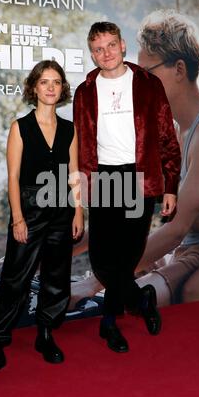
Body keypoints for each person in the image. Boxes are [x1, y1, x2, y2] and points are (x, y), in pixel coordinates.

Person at [0, 60, 83, 383]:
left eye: (56, 82)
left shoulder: (69, 129)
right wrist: (18, 218)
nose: (50, 87)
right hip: (30, 210)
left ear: (62, 89)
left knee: (56, 277)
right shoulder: (20, 127)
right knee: (14, 280)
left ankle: (45, 333)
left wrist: (78, 211)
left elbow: (74, 175)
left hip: (62, 209)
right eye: (44, 81)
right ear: (34, 88)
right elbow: (13, 177)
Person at [73, 21, 181, 353]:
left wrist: (170, 185)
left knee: (126, 255)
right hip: (103, 178)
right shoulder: (85, 91)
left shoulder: (149, 85)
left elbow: (166, 137)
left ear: (122, 46)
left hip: (139, 178)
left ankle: (109, 322)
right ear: (92, 54)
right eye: (97, 49)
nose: (105, 53)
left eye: (110, 45)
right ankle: (141, 299)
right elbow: (78, 147)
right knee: (102, 257)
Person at [134, 11, 199, 305]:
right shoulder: (177, 131)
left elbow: (178, 228)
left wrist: (97, 280)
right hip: (194, 246)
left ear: (179, 69)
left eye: (147, 74)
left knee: (169, 294)